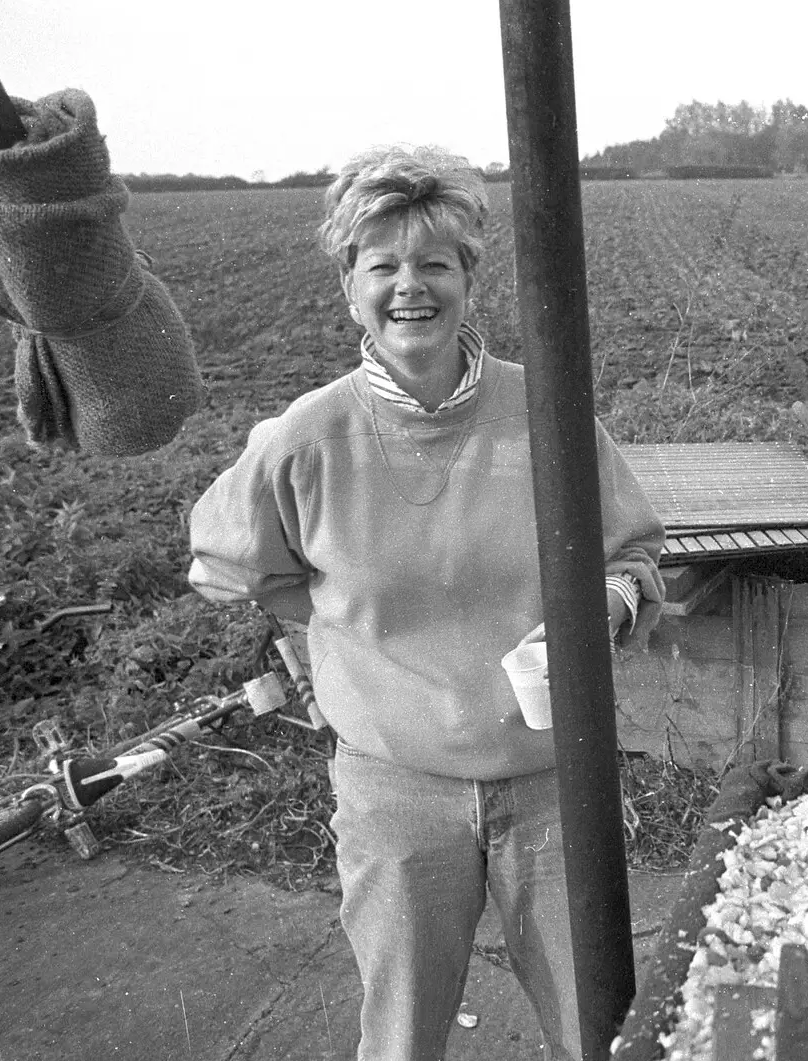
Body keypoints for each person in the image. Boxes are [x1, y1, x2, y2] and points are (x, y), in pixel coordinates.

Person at [186, 144, 664, 1061]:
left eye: (435, 262)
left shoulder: (550, 411)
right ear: (350, 285)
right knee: (402, 1036)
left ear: (468, 279)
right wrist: (319, 611)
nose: (411, 286)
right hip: (393, 787)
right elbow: (222, 562)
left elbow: (634, 552)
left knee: (599, 1029)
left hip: (554, 779)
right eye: (384, 265)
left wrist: (604, 606)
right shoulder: (308, 436)